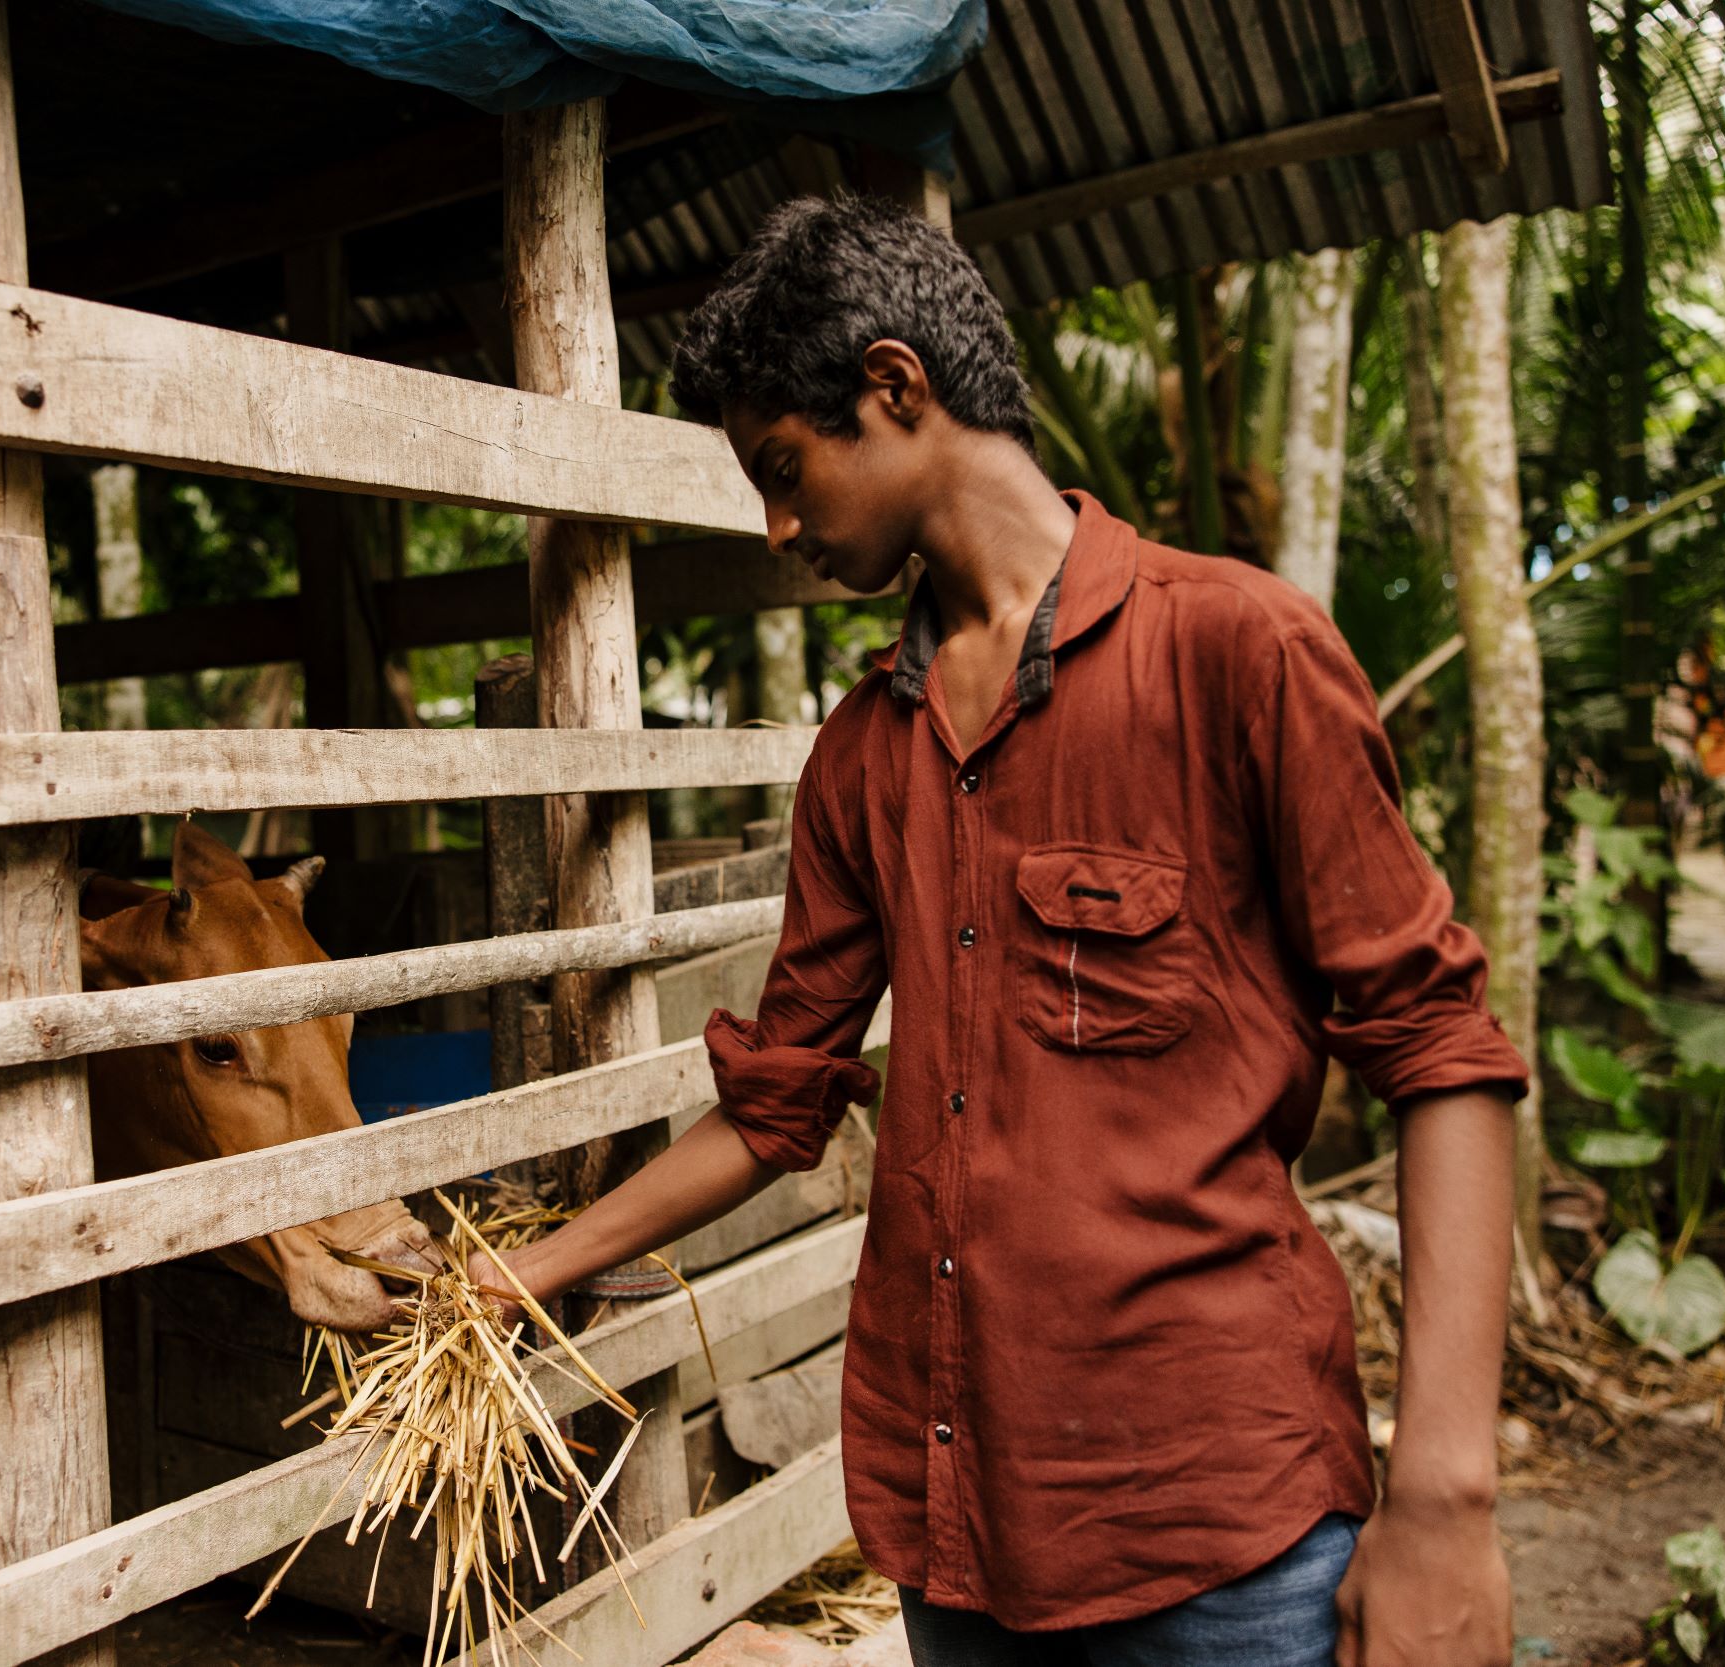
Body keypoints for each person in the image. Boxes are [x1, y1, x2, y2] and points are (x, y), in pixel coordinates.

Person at [471, 197, 1524, 1667]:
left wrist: (1446, 1504)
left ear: (897, 389)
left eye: (786, 469)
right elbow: (781, 1098)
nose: (778, 530)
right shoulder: (860, 753)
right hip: (950, 1534)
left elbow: (1442, 1052)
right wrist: (521, 1272)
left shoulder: (1241, 650)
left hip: (1222, 1540)